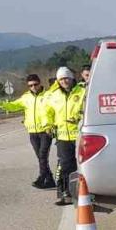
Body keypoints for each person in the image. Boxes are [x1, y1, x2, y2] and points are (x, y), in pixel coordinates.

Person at [0, 74, 55, 188]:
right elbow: (12, 106)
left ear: (40, 83)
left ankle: (41, 177)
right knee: (40, 156)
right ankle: (50, 180)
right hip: (33, 132)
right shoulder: (26, 97)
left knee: (43, 155)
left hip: (46, 131)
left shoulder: (49, 95)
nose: (33, 87)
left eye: (35, 84)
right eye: (30, 85)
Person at [44, 67, 86, 206]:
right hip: (63, 138)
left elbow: (88, 110)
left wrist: (79, 118)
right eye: (61, 79)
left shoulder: (82, 92)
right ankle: (65, 193)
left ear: (72, 78)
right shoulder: (54, 96)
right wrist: (48, 125)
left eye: (66, 78)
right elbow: (47, 113)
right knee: (65, 166)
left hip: (80, 136)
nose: (64, 81)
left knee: (84, 166)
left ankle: (88, 194)